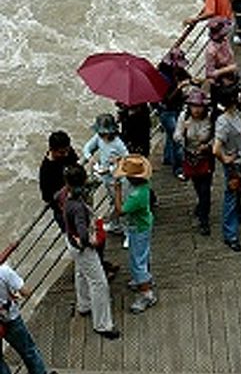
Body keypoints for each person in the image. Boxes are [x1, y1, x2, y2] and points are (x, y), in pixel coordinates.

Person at [60, 164, 119, 339]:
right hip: (82, 247)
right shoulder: (78, 207)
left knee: (81, 273)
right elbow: (83, 233)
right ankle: (103, 325)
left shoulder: (64, 196)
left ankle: (84, 305)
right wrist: (87, 241)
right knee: (99, 283)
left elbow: (56, 197)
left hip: (70, 242)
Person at [0, 260, 59, 374]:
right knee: (28, 350)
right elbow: (26, 292)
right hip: (9, 319)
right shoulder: (4, 271)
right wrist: (15, 295)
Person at [114, 155, 156, 314]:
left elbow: (120, 210)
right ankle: (145, 279)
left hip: (138, 229)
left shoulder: (136, 196)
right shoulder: (144, 187)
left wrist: (117, 190)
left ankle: (146, 294)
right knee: (141, 255)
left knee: (137, 261)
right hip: (142, 225)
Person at [213, 87, 241, 252]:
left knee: (238, 191)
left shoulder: (234, 115)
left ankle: (240, 212)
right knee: (231, 194)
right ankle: (230, 234)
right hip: (234, 164)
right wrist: (225, 158)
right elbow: (216, 149)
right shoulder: (224, 121)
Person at [174, 88, 215, 236]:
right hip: (190, 158)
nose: (196, 110)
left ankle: (204, 220)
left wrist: (208, 146)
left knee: (206, 189)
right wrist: (183, 132)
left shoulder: (210, 118)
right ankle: (201, 207)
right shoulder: (183, 117)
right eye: (193, 106)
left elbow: (216, 137)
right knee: (198, 187)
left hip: (206, 158)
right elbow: (176, 136)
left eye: (199, 107)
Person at [82, 114, 128, 231]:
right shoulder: (98, 138)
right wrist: (90, 158)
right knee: (113, 203)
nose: (101, 135)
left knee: (122, 206)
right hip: (106, 179)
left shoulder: (119, 144)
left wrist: (111, 168)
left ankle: (128, 233)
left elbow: (127, 162)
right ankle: (115, 225)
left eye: (103, 133)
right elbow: (87, 148)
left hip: (119, 181)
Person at [157, 48, 192, 179]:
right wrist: (179, 88)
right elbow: (165, 100)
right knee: (177, 138)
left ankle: (167, 158)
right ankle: (178, 169)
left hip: (175, 107)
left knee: (170, 135)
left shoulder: (175, 72)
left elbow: (189, 78)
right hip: (166, 110)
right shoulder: (163, 77)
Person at [39, 130, 78, 230]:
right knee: (71, 234)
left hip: (76, 197)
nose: (65, 154)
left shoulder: (68, 152)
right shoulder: (46, 170)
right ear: (52, 150)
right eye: (61, 152)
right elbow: (47, 197)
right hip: (63, 209)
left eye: (67, 151)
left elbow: (75, 164)